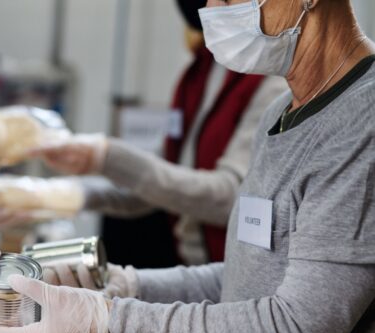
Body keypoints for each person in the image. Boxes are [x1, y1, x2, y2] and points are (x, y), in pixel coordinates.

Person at [0, 0, 375, 333]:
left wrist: (106, 320)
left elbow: (297, 330)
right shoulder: (280, 114)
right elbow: (251, 277)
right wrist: (126, 285)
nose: (212, 9)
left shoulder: (363, 123)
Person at [31, 0, 288, 267]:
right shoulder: (201, 71)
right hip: (192, 266)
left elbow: (230, 200)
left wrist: (107, 157)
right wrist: (60, 194)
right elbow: (160, 184)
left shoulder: (271, 83)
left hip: (233, 273)